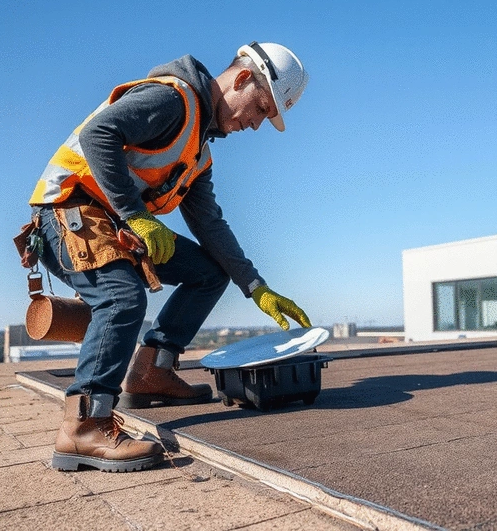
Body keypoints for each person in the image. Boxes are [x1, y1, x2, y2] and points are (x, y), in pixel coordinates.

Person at [27, 42, 311, 473]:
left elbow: (210, 226)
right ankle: (85, 424)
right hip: (65, 213)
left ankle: (150, 372)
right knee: (123, 299)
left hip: (114, 223)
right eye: (260, 108)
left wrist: (256, 286)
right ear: (241, 79)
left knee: (209, 274)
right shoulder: (173, 99)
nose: (255, 125)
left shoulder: (199, 153)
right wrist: (138, 217)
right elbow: (98, 134)